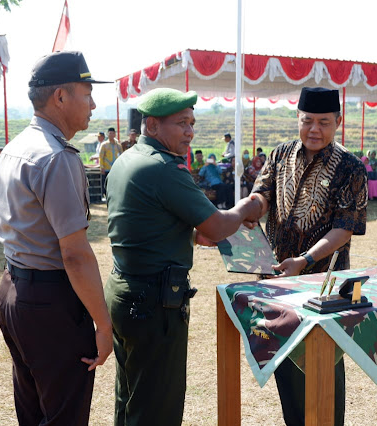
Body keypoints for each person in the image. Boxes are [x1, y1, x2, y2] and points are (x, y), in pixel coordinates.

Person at [104, 87, 263, 426]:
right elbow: (219, 226)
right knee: (157, 406)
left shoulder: (127, 160)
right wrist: (247, 207)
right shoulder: (163, 168)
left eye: (192, 123)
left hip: (125, 292)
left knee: (131, 397)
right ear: (152, 126)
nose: (190, 132)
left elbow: (145, 222)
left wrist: (190, 234)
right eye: (181, 123)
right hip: (153, 301)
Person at [0, 51, 113, 425]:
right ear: (60, 97)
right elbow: (75, 255)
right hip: (50, 302)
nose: (93, 104)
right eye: (86, 93)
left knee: (32, 409)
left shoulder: (15, 147)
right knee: (64, 415)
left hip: (14, 289)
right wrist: (104, 324)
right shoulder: (57, 158)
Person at [252, 87, 367, 426]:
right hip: (277, 284)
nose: (314, 130)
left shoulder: (350, 168)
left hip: (325, 288)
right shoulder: (279, 155)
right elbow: (262, 196)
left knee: (324, 370)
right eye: (307, 121)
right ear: (297, 119)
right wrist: (240, 212)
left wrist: (303, 260)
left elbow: (344, 228)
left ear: (338, 123)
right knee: (285, 366)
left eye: (324, 122)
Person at [99, 127, 124, 193]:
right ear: (107, 134)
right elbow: (101, 157)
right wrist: (102, 167)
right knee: (107, 183)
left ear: (115, 134)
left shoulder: (118, 145)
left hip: (116, 168)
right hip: (107, 167)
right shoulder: (104, 145)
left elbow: (121, 156)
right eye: (110, 133)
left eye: (113, 133)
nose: (111, 135)